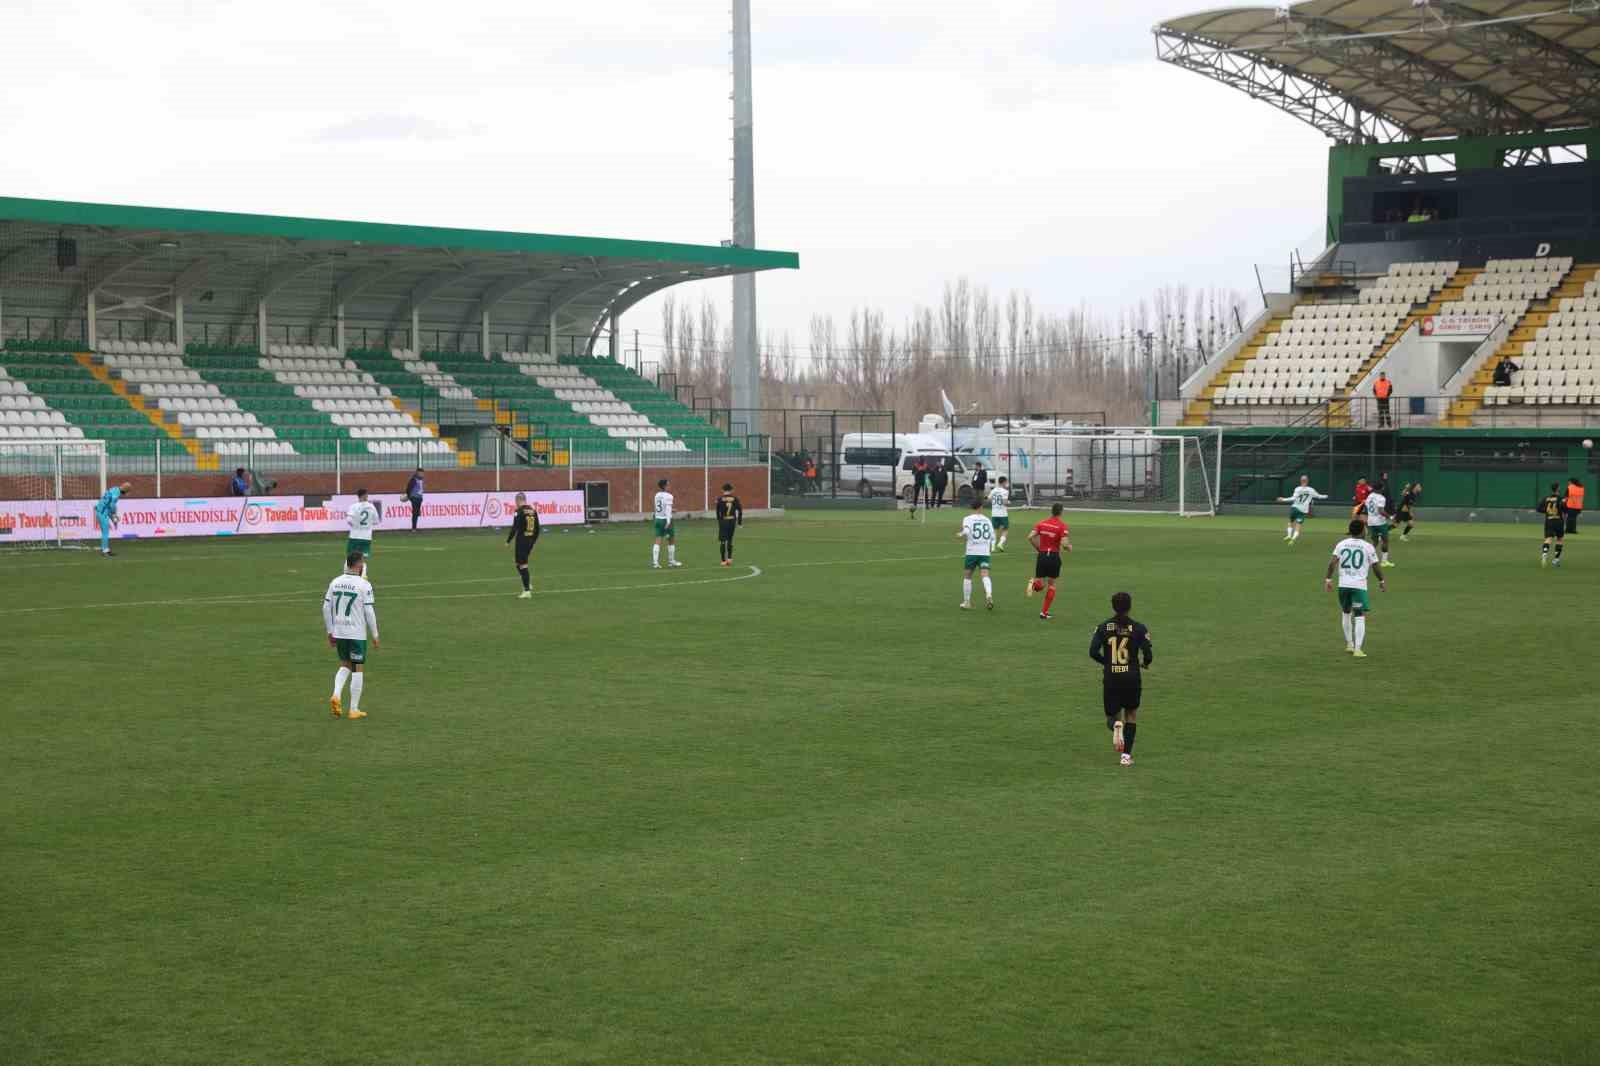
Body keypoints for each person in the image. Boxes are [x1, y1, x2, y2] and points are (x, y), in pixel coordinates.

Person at [1089, 591, 1153, 767]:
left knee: (1112, 716)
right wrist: (1145, 663)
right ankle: (1126, 756)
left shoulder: (1103, 627)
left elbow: (1092, 652)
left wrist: (1107, 663)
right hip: (1132, 677)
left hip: (1112, 677)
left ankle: (1116, 725)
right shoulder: (1139, 628)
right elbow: (1148, 653)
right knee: (1131, 714)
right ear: (1130, 607)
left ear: (1113, 606)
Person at [323, 549, 378, 720]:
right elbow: (369, 612)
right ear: (358, 564)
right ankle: (353, 709)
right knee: (357, 668)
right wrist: (375, 634)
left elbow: (325, 608)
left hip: (339, 631)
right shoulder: (364, 585)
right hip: (356, 633)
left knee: (345, 664)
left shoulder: (335, 582)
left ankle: (336, 694)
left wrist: (330, 631)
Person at [1326, 518, 1386, 658]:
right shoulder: (1368, 547)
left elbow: (1332, 563)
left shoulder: (1341, 544)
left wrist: (1328, 579)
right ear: (1361, 531)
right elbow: (1375, 566)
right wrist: (1381, 580)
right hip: (1358, 586)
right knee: (1359, 615)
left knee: (1346, 613)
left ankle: (1349, 644)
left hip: (1343, 585)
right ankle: (1358, 649)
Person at [1025, 502, 1071, 621]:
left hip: (1042, 555)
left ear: (1051, 511)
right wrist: (1068, 547)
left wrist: (1039, 549)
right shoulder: (1062, 526)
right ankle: (1044, 613)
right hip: (1054, 556)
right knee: (1052, 585)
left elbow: (1030, 537)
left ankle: (1033, 582)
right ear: (1061, 512)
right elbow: (1065, 544)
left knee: (1040, 585)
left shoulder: (1041, 523)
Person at [956, 496, 995, 610]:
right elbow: (993, 537)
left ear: (971, 507)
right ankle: (988, 594)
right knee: (985, 575)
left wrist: (961, 534)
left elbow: (967, 531)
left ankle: (967, 602)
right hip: (985, 552)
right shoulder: (987, 520)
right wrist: (991, 547)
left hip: (972, 552)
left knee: (968, 576)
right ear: (981, 507)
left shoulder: (968, 519)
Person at [506, 492, 541, 598]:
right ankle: (527, 584)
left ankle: (527, 591)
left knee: (522, 564)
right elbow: (538, 529)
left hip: (522, 541)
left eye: (515, 501)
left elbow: (514, 527)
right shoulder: (533, 511)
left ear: (518, 500)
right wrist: (533, 542)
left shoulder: (519, 511)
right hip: (530, 541)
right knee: (518, 562)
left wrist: (508, 541)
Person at [1276, 475, 1329, 544]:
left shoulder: (1297, 489)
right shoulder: (1311, 490)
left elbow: (1293, 498)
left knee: (1290, 522)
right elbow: (1319, 496)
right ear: (1307, 481)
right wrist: (1326, 496)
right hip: (1303, 510)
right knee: (1298, 525)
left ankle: (1289, 535)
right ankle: (1293, 539)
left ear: (1301, 481)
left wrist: (1283, 499)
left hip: (1295, 508)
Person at [346, 488, 381, 576]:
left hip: (354, 536)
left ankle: (349, 575)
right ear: (365, 495)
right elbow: (376, 521)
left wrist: (356, 526)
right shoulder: (371, 506)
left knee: (350, 557)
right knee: (362, 559)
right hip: (366, 537)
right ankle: (362, 577)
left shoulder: (354, 506)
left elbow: (349, 520)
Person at [95, 481, 133, 557]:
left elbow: (108, 503)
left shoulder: (114, 488)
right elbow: (111, 505)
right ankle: (105, 551)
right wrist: (114, 515)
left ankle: (105, 549)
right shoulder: (116, 494)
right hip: (102, 512)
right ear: (125, 491)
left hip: (101, 510)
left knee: (105, 532)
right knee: (105, 532)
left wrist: (113, 516)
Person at [651, 478, 681, 568]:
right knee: (671, 540)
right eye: (668, 484)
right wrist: (668, 521)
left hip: (658, 519)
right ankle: (671, 561)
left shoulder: (657, 495)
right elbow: (667, 510)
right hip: (665, 520)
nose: (670, 486)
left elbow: (659, 507)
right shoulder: (669, 496)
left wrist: (672, 510)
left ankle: (655, 563)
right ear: (664, 486)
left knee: (658, 540)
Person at [1364, 483, 1395, 567]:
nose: (1383, 489)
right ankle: (1384, 561)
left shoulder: (1370, 496)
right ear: (1380, 489)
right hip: (1380, 522)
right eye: (1383, 488)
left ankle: (1366, 558)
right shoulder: (1381, 498)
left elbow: (1366, 507)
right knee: (1385, 540)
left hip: (1371, 521)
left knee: (1375, 541)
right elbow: (1381, 511)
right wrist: (1390, 517)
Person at [1538, 483, 1567, 567]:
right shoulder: (1561, 498)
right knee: (1559, 539)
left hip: (1549, 521)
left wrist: (1547, 511)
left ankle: (1544, 554)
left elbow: (1538, 508)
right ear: (1558, 489)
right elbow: (1564, 509)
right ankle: (1556, 560)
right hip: (1558, 521)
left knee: (1548, 539)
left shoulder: (1546, 498)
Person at [715, 482, 743, 566]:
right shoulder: (735, 498)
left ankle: (723, 560)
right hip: (732, 520)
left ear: (723, 490)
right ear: (731, 490)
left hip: (723, 521)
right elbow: (740, 510)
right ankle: (730, 559)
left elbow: (717, 512)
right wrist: (739, 522)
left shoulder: (719, 499)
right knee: (730, 540)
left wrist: (719, 521)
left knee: (723, 541)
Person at [988, 476, 1011, 551]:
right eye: (1006, 482)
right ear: (1004, 482)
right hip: (1003, 514)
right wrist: (1008, 502)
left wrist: (994, 504)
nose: (1007, 484)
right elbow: (1004, 502)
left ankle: (992, 547)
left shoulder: (993, 490)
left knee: (995, 530)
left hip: (994, 513)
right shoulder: (1005, 491)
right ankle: (1000, 544)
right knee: (1005, 529)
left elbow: (989, 499)